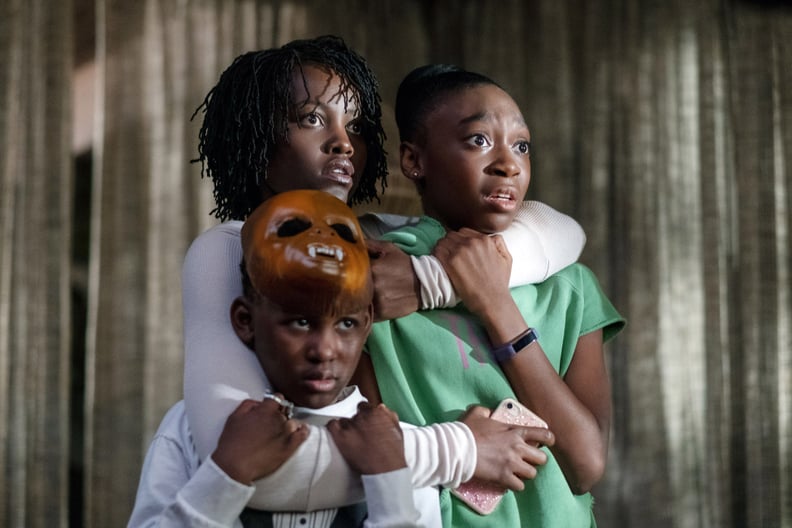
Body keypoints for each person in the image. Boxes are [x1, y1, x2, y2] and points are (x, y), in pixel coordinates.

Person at [183, 35, 586, 510]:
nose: (343, 143)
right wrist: (463, 448)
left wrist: (429, 281)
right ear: (254, 138)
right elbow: (250, 469)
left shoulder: (377, 238)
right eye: (313, 119)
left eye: (355, 125)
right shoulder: (225, 249)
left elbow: (563, 232)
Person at [132, 190, 550, 526]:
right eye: (298, 323)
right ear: (245, 321)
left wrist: (388, 477)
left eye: (346, 325)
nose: (324, 350)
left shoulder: (389, 441)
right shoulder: (191, 431)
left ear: (368, 322)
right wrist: (225, 473)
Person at [359, 64, 626, 527]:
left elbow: (585, 466)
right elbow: (364, 448)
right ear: (413, 160)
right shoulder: (381, 274)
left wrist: (496, 304)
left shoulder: (571, 286)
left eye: (521, 145)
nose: (509, 163)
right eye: (479, 140)